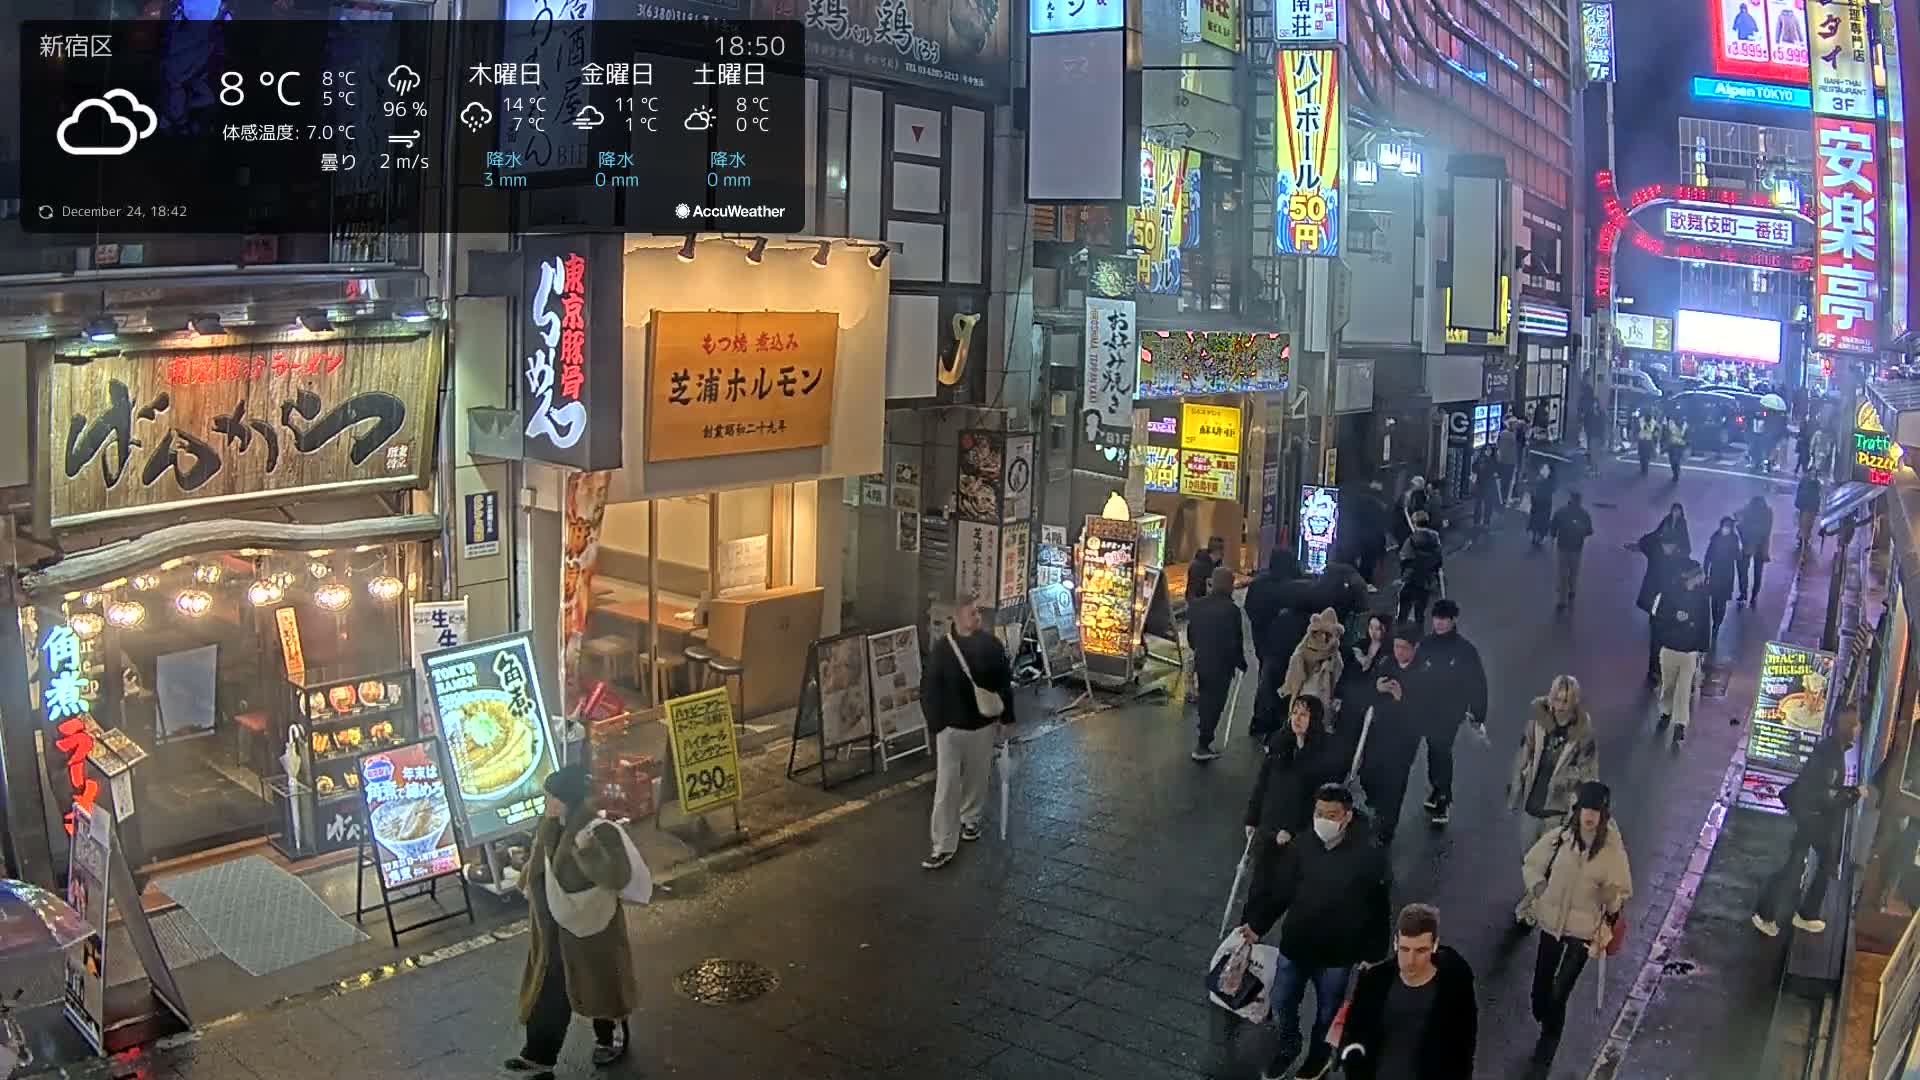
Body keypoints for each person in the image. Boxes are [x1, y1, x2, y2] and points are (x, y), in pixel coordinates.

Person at [1234, 784, 1391, 1080]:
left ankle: (1318, 1057)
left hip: (1337, 954)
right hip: (1296, 945)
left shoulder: (1369, 857)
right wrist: (1258, 925)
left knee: (1327, 1013)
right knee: (1281, 1002)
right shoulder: (1303, 846)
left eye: (1331, 814)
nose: (1324, 820)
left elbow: (1379, 908)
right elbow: (1282, 891)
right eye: (1319, 813)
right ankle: (1289, 1046)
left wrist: (1374, 954)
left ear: (1346, 816)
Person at [508, 765, 641, 1079]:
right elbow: (541, 856)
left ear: (567, 800)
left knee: (601, 986)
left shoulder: (599, 830)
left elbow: (618, 876)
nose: (546, 804)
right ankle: (539, 1056)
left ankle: (610, 1037)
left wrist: (589, 851)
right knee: (548, 992)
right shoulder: (550, 825)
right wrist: (526, 877)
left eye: (551, 798)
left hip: (591, 930)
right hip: (553, 927)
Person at [1520, 781, 1633, 1043]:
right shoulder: (1560, 839)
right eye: (1586, 809)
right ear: (1577, 810)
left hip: (1584, 932)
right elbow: (1532, 864)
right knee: (1540, 991)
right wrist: (1538, 888)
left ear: (1604, 815)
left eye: (1596, 810)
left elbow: (1620, 890)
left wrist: (1611, 898)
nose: (1590, 816)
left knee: (1560, 991)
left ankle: (1550, 1038)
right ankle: (1546, 1019)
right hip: (1551, 923)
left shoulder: (1612, 851)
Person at [919, 593, 1016, 868]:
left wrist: (1007, 718)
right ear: (957, 617)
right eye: (972, 613)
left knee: (976, 776)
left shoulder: (991, 646)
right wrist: (936, 724)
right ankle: (942, 844)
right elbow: (928, 689)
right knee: (946, 787)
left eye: (977, 612)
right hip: (950, 728)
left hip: (981, 725)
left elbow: (1003, 684)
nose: (977, 617)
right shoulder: (942, 650)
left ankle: (970, 820)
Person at [1752, 716, 1869, 936]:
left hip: (1811, 816)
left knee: (1819, 861)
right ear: (1849, 729)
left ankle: (1802, 913)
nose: (1860, 728)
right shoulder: (1831, 756)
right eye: (1857, 724)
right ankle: (1770, 914)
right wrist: (1854, 793)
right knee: (1795, 867)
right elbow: (1827, 796)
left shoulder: (1832, 749)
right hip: (1811, 817)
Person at [1335, 904, 1479, 1080]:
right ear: (1396, 943)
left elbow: (1463, 1045)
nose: (1410, 961)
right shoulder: (1374, 981)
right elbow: (1354, 1030)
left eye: (1420, 950)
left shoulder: (1454, 984)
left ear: (1434, 945)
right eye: (1404, 949)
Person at [1244, 695, 1348, 893]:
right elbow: (1262, 784)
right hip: (1269, 823)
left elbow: (1316, 799)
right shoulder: (1279, 743)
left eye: (1304, 714)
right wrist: (1252, 818)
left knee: (1283, 885)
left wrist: (1291, 829)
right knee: (1259, 883)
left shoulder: (1324, 753)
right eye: (1294, 713)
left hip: (1296, 832)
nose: (1297, 719)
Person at [1506, 676, 1601, 879]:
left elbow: (1589, 774)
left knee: (1548, 862)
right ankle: (1532, 900)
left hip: (1557, 810)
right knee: (1527, 857)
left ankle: (1536, 905)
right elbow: (1523, 755)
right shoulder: (1537, 723)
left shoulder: (1583, 735)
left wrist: (1568, 782)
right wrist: (1515, 789)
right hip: (1532, 803)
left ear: (1574, 701)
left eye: (1565, 701)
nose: (1559, 706)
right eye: (1556, 699)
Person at [1418, 599, 1488, 826]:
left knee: (1441, 749)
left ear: (1453, 620)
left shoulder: (1464, 650)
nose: (1438, 623)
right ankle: (1436, 787)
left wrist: (1478, 713)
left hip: (1449, 712)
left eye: (1443, 619)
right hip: (1427, 709)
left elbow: (1477, 683)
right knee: (1433, 750)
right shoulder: (1426, 645)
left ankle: (1444, 798)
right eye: (1436, 618)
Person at [1358, 623, 1427, 844]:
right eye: (1396, 646)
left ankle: (1386, 828)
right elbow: (1367, 691)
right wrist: (1377, 689)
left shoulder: (1425, 672)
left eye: (1404, 648)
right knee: (1368, 772)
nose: (1399, 652)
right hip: (1379, 731)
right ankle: (1376, 804)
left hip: (1403, 740)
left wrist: (1401, 699)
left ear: (1415, 647)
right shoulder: (1387, 663)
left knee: (1394, 783)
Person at [1186, 566, 1247, 762]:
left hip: (1203, 659)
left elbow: (1191, 635)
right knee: (1216, 703)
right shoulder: (1232, 610)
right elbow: (1235, 641)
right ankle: (1203, 743)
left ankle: (1203, 734)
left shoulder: (1197, 606)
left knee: (1205, 698)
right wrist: (1241, 663)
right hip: (1222, 664)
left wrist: (1198, 649)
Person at [1244, 550, 1306, 738]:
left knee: (1265, 681)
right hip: (1285, 645)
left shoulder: (1259, 584)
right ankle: (1276, 723)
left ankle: (1261, 721)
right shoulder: (1293, 586)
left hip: (1263, 642)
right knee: (1281, 683)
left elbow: (1250, 609)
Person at [1652, 560, 1711, 744]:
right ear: (1689, 576)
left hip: (1689, 651)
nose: (1700, 579)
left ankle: (1680, 724)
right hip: (1670, 648)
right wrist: (1674, 617)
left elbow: (1704, 623)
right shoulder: (1669, 593)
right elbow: (1658, 617)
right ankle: (1666, 711)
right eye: (1697, 576)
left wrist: (1702, 649)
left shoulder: (1702, 597)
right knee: (1669, 685)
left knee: (1684, 689)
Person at [1629, 506, 1691, 682]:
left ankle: (1657, 670)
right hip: (1658, 603)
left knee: (1660, 639)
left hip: (1665, 604)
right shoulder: (1659, 553)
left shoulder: (1671, 557)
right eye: (1668, 546)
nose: (1670, 549)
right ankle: (1654, 670)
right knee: (1657, 639)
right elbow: (1650, 540)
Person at [1549, 491, 1595, 611]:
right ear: (1580, 500)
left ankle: (1561, 600)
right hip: (1577, 547)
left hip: (1562, 546)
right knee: (1574, 571)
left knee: (1562, 573)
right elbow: (1589, 531)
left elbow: (1553, 527)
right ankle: (1572, 590)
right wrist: (1581, 533)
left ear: (1570, 499)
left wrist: (1553, 537)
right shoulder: (1584, 514)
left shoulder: (1561, 511)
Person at [1399, 511, 1444, 624]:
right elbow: (1438, 556)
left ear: (1414, 523)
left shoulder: (1411, 540)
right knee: (1421, 607)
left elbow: (1405, 559)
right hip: (1427, 578)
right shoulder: (1435, 536)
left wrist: (1404, 577)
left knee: (1404, 606)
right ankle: (1419, 627)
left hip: (1413, 577)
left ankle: (1402, 628)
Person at [1704, 516, 1743, 640]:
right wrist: (1705, 571)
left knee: (1722, 600)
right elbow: (1708, 554)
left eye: (1728, 526)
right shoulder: (1716, 537)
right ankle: (1715, 620)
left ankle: (1717, 623)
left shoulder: (1734, 539)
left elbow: (1738, 556)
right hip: (1715, 573)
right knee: (1714, 601)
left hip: (1727, 574)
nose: (1725, 529)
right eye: (1724, 526)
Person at [1736, 494, 1774, 606]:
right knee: (1757, 572)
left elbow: (1737, 516)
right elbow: (1766, 530)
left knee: (1744, 570)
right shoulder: (1767, 512)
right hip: (1759, 547)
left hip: (1750, 545)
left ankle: (1744, 593)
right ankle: (1753, 595)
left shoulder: (1750, 510)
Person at [1186, 536, 1224, 602]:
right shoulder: (1197, 567)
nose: (1224, 553)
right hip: (1198, 603)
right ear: (1218, 552)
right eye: (1223, 550)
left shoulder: (1217, 563)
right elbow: (1192, 594)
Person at [1527, 463, 1556, 548]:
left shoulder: (1549, 481)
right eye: (1542, 468)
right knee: (1536, 518)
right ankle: (1536, 534)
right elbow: (1534, 490)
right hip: (1537, 503)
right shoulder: (1539, 479)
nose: (1543, 470)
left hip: (1544, 504)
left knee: (1542, 520)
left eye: (1545, 469)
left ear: (1549, 472)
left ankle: (1540, 536)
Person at [1472, 448, 1502, 530]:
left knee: (1484, 504)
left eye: (1489, 450)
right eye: (1487, 449)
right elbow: (1474, 468)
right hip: (1486, 485)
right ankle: (1482, 522)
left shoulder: (1483, 459)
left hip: (1485, 485)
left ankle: (1482, 522)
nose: (1488, 451)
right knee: (1484, 504)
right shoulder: (1489, 459)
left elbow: (1474, 469)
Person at [1795, 473, 1822, 552]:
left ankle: (1803, 538)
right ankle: (1803, 538)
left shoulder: (1807, 481)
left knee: (1805, 523)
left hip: (1808, 506)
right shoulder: (1814, 482)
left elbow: (1799, 491)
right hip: (1808, 506)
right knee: (1806, 524)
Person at [1496, 420, 1521, 504]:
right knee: (1508, 480)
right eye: (1515, 425)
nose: (1516, 427)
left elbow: (1498, 445)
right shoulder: (1511, 435)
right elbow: (1514, 449)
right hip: (1509, 461)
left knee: (1503, 480)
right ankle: (1505, 498)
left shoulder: (1502, 433)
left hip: (1502, 460)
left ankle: (1502, 498)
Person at [1664, 412, 1689, 482]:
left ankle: (1676, 474)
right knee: (1672, 462)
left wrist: (1687, 443)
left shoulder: (1685, 425)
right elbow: (1666, 433)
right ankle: (1675, 472)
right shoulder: (1670, 424)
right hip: (1671, 445)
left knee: (1676, 461)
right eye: (1677, 418)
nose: (1678, 420)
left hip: (1680, 446)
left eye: (1680, 418)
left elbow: (1687, 435)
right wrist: (1665, 442)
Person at [1636, 411, 1660, 477]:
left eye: (1649, 417)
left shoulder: (1653, 422)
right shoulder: (1640, 420)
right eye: (1647, 417)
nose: (1648, 418)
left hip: (1649, 440)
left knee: (1647, 455)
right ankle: (1643, 467)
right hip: (1641, 440)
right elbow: (1637, 429)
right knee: (1641, 455)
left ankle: (1645, 467)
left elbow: (1657, 429)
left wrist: (1655, 436)